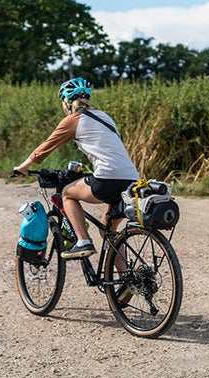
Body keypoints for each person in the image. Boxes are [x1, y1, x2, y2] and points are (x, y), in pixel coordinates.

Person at [13, 77, 139, 259]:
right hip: (131, 180)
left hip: (107, 179)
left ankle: (83, 241)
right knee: (107, 229)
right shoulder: (105, 117)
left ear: (67, 102)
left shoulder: (73, 120)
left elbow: (44, 148)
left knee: (67, 194)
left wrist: (23, 168)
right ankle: (125, 280)